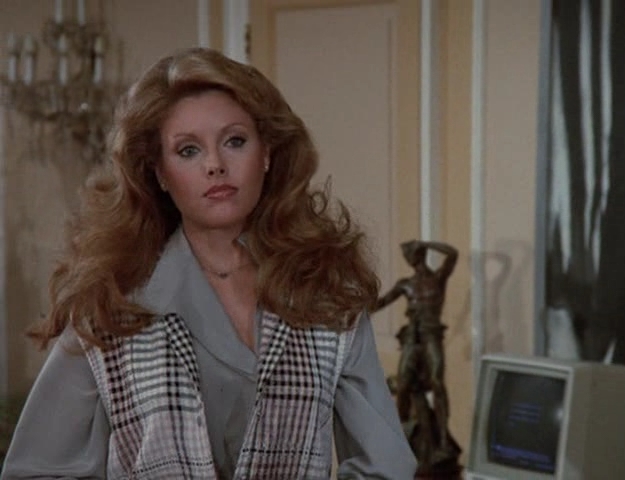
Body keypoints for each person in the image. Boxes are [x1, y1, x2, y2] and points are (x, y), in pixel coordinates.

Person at [0, 48, 416, 479]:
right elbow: (35, 472)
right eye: (188, 150)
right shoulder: (112, 307)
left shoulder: (326, 293)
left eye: (234, 141)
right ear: (159, 173)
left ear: (267, 152)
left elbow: (386, 466)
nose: (215, 165)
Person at [375, 240, 459, 469]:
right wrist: (356, 308)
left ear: (420, 253)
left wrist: (428, 243)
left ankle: (443, 441)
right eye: (407, 255)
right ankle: (399, 435)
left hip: (432, 334)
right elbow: (382, 302)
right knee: (403, 384)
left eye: (410, 253)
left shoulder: (438, 278)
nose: (409, 259)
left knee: (437, 383)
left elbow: (452, 253)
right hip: (412, 336)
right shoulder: (406, 285)